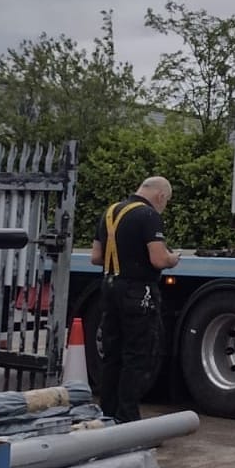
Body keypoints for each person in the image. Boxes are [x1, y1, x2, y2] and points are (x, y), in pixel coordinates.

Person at [88, 176, 181, 422]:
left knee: (112, 354)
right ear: (161, 195)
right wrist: (173, 258)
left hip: (109, 288)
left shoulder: (110, 212)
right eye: (166, 201)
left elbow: (96, 257)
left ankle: (108, 414)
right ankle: (128, 417)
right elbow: (159, 260)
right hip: (137, 292)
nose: (164, 206)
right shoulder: (148, 216)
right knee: (137, 356)